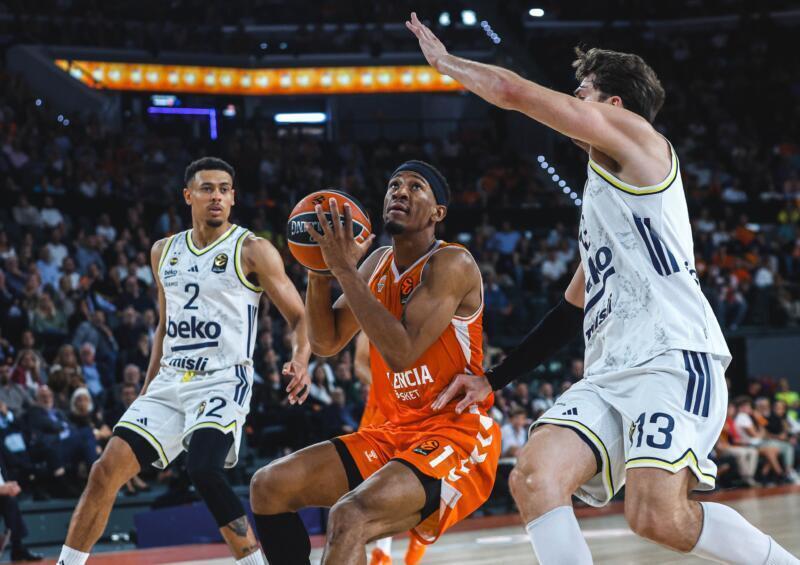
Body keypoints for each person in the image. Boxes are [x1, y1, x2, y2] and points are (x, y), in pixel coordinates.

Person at [408, 14, 798, 564]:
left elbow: (515, 92)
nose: (572, 103)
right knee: (535, 477)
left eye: (582, 93)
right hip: (611, 372)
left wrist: (444, 62)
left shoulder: (641, 139)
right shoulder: (605, 202)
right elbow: (572, 308)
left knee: (657, 516)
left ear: (613, 107)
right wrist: (493, 379)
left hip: (672, 357)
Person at [57, 157, 312, 565]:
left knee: (204, 469)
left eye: (225, 189)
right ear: (188, 195)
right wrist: (145, 391)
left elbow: (300, 316)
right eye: (208, 188)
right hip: (169, 382)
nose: (217, 197)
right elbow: (163, 325)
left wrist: (300, 359)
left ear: (232, 198)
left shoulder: (252, 249)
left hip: (224, 379)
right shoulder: (163, 251)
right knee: (105, 470)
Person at [250, 161, 500, 564]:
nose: (400, 191)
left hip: (456, 434)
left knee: (350, 515)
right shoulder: (376, 263)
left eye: (416, 187)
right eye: (394, 185)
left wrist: (343, 269)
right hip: (392, 432)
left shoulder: (453, 264)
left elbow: (402, 353)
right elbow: (326, 341)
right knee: (268, 486)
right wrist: (319, 269)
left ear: (438, 214)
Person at [353, 332, 427, 565]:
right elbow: (359, 363)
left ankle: (420, 535)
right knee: (374, 485)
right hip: (380, 411)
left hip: (417, 408)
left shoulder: (424, 315)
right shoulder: (369, 323)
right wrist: (384, 386)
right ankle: (382, 551)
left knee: (417, 478)